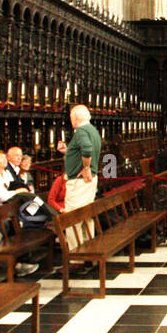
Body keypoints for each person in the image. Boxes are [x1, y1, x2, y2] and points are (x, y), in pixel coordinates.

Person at [62, 104, 102, 249]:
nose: (71, 119)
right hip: (89, 181)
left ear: (76, 117)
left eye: (71, 116)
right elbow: (84, 150)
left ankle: (76, 257)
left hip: (80, 182)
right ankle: (89, 251)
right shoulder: (93, 130)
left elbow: (87, 148)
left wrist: (85, 167)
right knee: (86, 216)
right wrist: (68, 151)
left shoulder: (81, 131)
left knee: (73, 219)